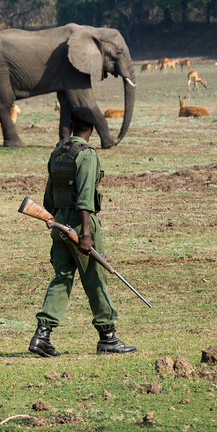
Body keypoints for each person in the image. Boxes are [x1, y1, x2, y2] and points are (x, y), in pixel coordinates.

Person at [29, 106, 137, 357]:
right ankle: (108, 337)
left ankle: (41, 335)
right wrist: (86, 234)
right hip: (80, 225)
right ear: (92, 129)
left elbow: (47, 199)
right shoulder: (86, 155)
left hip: (59, 224)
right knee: (95, 278)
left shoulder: (57, 153)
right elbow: (86, 199)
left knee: (62, 278)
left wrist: (58, 225)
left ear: (73, 125)